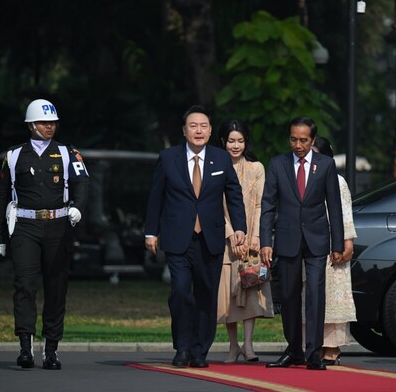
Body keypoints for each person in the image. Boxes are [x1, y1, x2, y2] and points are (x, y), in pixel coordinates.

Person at [145, 105, 246, 369]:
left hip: (210, 239)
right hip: (178, 238)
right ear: (184, 131)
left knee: (206, 295)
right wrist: (150, 231)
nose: (198, 130)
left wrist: (239, 227)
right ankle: (182, 347)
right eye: (193, 126)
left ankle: (200, 351)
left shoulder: (221, 159)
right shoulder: (168, 158)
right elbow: (156, 197)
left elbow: (234, 195)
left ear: (210, 130)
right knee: (180, 292)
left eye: (203, 126)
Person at [0, 99, 90, 370]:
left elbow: (82, 183)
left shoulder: (68, 152)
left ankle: (51, 350)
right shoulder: (13, 157)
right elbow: (1, 196)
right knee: (24, 286)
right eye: (45, 123)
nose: (50, 127)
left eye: (53, 123)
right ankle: (25, 347)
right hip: (25, 226)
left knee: (56, 287)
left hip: (58, 226)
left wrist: (78, 209)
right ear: (31, 125)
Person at [261, 116, 344, 371]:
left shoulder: (326, 164)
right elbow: (268, 206)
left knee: (316, 295)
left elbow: (334, 206)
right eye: (294, 139)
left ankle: (314, 353)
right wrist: (266, 241)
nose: (298, 145)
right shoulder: (278, 163)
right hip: (286, 239)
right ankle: (294, 350)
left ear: (313, 140)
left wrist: (337, 244)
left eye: (303, 140)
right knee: (288, 296)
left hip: (318, 239)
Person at [216, 119, 274, 363]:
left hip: (251, 239)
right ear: (223, 142)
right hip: (223, 238)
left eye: (240, 141)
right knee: (228, 294)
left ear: (246, 142)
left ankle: (248, 344)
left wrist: (256, 237)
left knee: (251, 288)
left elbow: (261, 203)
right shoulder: (215, 167)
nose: (235, 145)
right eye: (231, 141)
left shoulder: (256, 168)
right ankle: (232, 346)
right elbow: (214, 205)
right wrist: (231, 234)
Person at [309, 137, 357, 365]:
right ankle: (311, 345)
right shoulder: (303, 178)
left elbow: (345, 213)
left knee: (332, 296)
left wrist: (346, 243)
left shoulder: (337, 181)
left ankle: (331, 346)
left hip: (332, 244)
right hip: (309, 244)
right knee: (311, 295)